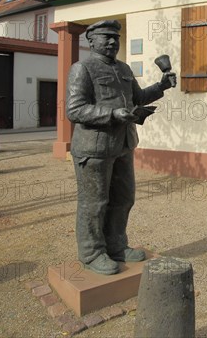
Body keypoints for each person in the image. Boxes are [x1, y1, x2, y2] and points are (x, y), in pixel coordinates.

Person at [66, 20, 175, 275]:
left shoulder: (124, 68)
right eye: (106, 37)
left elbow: (137, 98)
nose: (113, 41)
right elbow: (75, 109)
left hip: (123, 144)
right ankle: (92, 253)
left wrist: (161, 86)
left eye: (116, 37)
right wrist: (113, 114)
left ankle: (116, 245)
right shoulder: (82, 68)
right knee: (94, 203)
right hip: (94, 148)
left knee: (124, 198)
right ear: (91, 41)